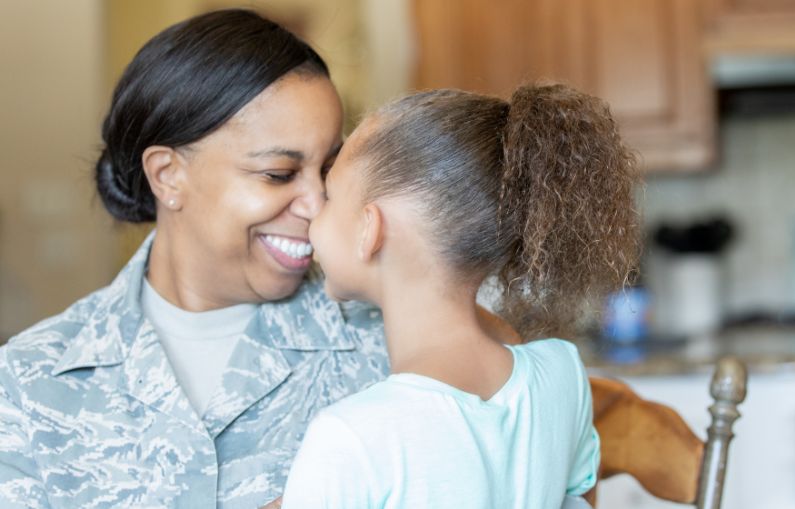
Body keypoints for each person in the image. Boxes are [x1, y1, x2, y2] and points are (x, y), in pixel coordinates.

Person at [0, 10, 393, 509]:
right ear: (167, 175)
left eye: (328, 170)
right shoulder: (27, 385)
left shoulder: (388, 345)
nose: (317, 205)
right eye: (278, 174)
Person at [281, 84, 641, 508]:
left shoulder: (350, 438)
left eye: (329, 197)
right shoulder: (561, 372)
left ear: (369, 230)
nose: (309, 216)